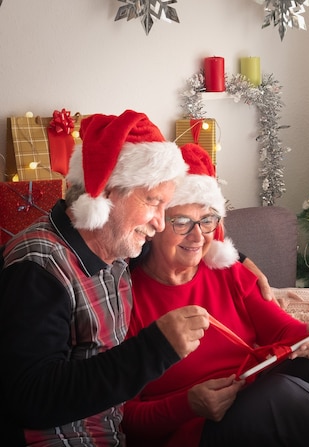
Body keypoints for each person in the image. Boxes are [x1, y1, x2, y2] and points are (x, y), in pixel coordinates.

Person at [122, 143, 309, 447]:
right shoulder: (127, 302)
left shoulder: (228, 271)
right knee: (279, 393)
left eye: (206, 220)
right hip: (192, 432)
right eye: (182, 222)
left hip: (254, 400)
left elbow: (282, 329)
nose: (198, 235)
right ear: (157, 223)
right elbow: (125, 419)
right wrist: (187, 404)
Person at [0, 110, 211, 446]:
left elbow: (186, 242)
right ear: (107, 192)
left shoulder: (118, 244)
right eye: (154, 202)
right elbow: (32, 399)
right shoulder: (38, 268)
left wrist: (240, 260)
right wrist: (155, 349)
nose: (159, 223)